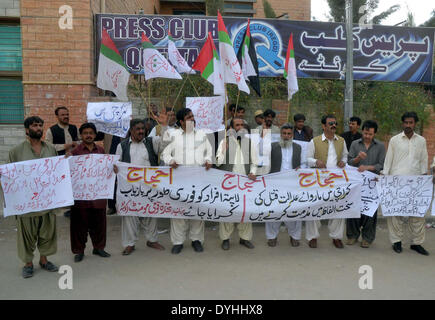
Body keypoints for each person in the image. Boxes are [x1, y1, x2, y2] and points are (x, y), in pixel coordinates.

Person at [8, 116, 59, 278]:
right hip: (26, 204)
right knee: (26, 235)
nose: (38, 128)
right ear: (26, 129)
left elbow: (57, 172)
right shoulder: (16, 151)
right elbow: (9, 177)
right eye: (34, 125)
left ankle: (44, 260)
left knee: (47, 233)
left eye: (40, 125)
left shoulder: (50, 149)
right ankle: (28, 263)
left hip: (47, 202)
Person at [114, 115, 169, 256]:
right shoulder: (122, 145)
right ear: (131, 130)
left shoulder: (152, 142)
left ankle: (152, 240)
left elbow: (166, 143)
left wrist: (163, 126)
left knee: (151, 212)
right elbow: (117, 163)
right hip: (130, 187)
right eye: (137, 129)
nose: (140, 132)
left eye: (143, 129)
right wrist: (116, 168)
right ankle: (129, 244)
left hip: (149, 186)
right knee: (130, 215)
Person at [162, 108, 213, 254]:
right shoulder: (173, 135)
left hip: (198, 180)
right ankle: (178, 242)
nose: (192, 119)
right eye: (188, 117)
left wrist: (208, 160)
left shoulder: (202, 135)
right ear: (181, 121)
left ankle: (196, 240)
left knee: (197, 209)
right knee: (178, 211)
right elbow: (165, 153)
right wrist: (170, 160)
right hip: (179, 180)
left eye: (192, 116)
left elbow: (209, 153)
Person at [382, 111, 429, 255]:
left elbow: (423, 160)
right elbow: (388, 160)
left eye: (411, 123)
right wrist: (385, 176)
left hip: (416, 183)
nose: (408, 125)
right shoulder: (395, 140)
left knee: (418, 214)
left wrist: (424, 177)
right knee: (395, 214)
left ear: (415, 124)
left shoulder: (421, 140)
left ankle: (417, 243)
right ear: (402, 123)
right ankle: (397, 242)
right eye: (406, 123)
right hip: (397, 182)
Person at [69, 123, 111, 262]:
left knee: (99, 223)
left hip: (98, 196)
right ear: (81, 135)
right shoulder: (75, 152)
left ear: (94, 135)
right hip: (80, 197)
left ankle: (99, 248)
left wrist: (113, 169)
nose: (88, 135)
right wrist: (66, 159)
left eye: (91, 133)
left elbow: (106, 169)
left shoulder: (101, 151)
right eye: (85, 133)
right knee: (79, 225)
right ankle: (79, 250)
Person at [215, 117, 259, 250]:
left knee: (245, 211)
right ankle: (225, 238)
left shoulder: (249, 142)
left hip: (245, 183)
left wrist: (252, 172)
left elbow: (255, 162)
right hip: (228, 184)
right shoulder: (225, 141)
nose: (241, 127)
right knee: (227, 211)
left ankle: (244, 238)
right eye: (237, 125)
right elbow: (217, 163)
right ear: (232, 128)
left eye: (242, 125)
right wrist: (223, 149)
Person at [306, 114, 348, 249]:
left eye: (335, 123)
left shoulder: (341, 141)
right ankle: (312, 236)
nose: (333, 125)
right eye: (330, 123)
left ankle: (336, 237)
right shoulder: (314, 141)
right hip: (318, 180)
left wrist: (343, 161)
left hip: (336, 181)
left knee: (338, 207)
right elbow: (307, 159)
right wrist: (315, 162)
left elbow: (345, 155)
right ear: (323, 126)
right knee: (314, 207)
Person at [346, 120, 385, 248]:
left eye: (370, 134)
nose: (367, 136)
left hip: (372, 183)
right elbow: (349, 162)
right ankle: (352, 235)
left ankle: (367, 238)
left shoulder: (380, 146)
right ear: (362, 131)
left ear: (374, 134)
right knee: (353, 208)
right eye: (365, 133)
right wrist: (358, 159)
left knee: (370, 212)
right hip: (357, 183)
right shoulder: (355, 144)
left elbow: (381, 164)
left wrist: (368, 167)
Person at [263, 123, 302, 247]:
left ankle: (294, 236)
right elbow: (265, 164)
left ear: (292, 134)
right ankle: (272, 237)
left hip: (292, 184)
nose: (286, 136)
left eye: (289, 134)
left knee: (294, 210)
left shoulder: (298, 147)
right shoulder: (272, 147)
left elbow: (303, 164)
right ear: (280, 134)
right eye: (284, 133)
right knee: (273, 210)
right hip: (275, 183)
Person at [45, 106, 79, 218]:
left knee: (74, 184)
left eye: (67, 114)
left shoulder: (74, 128)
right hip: (60, 163)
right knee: (62, 184)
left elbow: (79, 141)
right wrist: (64, 146)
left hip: (74, 161)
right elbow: (48, 147)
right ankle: (64, 206)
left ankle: (74, 207)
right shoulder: (51, 130)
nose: (66, 117)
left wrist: (76, 145)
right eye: (63, 115)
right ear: (57, 116)